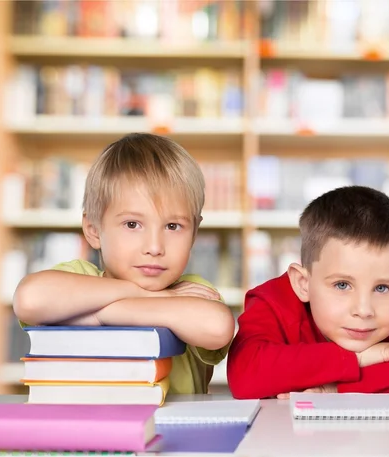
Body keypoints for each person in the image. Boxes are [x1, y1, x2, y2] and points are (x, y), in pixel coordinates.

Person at [13, 133, 235, 394]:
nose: (154, 247)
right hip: (87, 432)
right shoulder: (79, 277)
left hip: (172, 433)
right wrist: (148, 296)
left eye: (173, 226)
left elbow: (218, 327)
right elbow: (29, 299)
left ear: (194, 234)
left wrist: (99, 314)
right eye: (132, 224)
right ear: (94, 230)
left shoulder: (191, 289)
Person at [227, 186, 389, 398]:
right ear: (302, 283)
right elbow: (245, 376)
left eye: (382, 288)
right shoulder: (274, 300)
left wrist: (337, 388)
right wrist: (357, 360)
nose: (363, 310)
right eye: (342, 285)